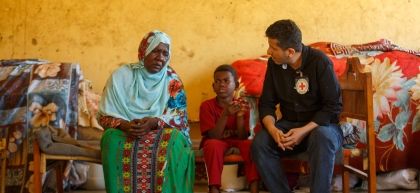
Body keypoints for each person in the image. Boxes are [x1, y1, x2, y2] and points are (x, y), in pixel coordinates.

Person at [251, 19, 343, 193]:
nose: (269, 51)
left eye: (273, 48)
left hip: (323, 127)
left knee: (322, 137)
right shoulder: (274, 64)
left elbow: (333, 107)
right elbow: (266, 103)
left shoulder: (319, 62)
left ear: (290, 51)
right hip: (290, 126)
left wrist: (303, 131)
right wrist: (273, 130)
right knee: (261, 143)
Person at [98, 30, 194, 193]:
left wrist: (155, 122)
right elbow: (104, 117)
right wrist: (125, 125)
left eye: (165, 53)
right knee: (110, 138)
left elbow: (179, 118)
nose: (160, 58)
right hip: (125, 130)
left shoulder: (172, 81)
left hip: (159, 130)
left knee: (176, 141)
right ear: (144, 52)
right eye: (155, 51)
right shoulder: (121, 76)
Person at [200, 64, 260, 193]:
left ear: (236, 86)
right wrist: (225, 114)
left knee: (252, 145)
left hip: (237, 142)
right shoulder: (206, 106)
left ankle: (254, 186)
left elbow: (242, 137)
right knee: (212, 145)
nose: (221, 84)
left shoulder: (243, 105)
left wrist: (239, 117)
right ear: (213, 86)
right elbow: (214, 136)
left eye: (226, 81)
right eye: (218, 81)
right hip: (217, 142)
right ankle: (214, 187)